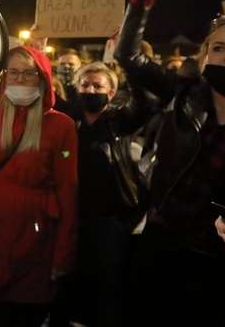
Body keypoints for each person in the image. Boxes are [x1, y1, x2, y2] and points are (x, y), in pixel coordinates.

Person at [115, 0, 225, 326]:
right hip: (158, 242)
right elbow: (128, 53)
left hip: (218, 264)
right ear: (204, 58)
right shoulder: (182, 94)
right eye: (218, 47)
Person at [0, 46, 79, 327]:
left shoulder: (60, 126)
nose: (19, 79)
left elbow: (68, 191)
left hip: (35, 232)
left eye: (28, 73)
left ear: (42, 78)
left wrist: (64, 254)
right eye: (13, 72)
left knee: (23, 311)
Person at [60, 62, 151, 327]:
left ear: (111, 93)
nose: (90, 90)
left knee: (108, 282)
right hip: (74, 216)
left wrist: (127, 60)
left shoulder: (120, 121)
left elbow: (144, 102)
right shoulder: (70, 119)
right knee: (75, 276)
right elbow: (51, 92)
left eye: (97, 85)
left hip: (111, 218)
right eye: (84, 85)